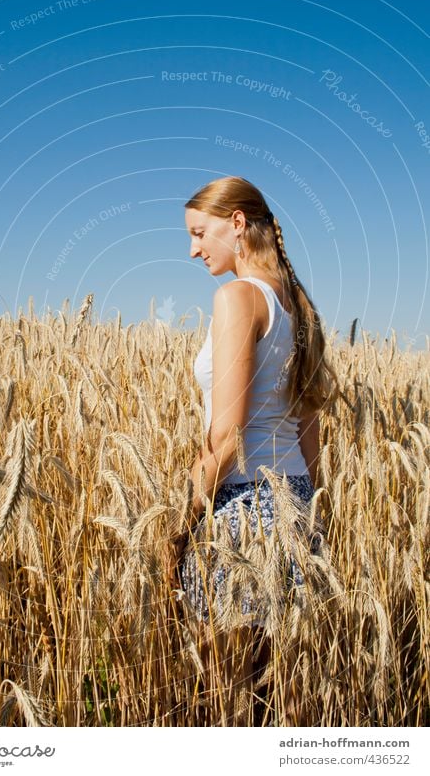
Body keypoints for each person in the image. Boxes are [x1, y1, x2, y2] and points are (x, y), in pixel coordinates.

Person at [173, 175, 340, 726]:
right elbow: (310, 428)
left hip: (241, 509)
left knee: (229, 693)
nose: (193, 248)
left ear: (237, 223)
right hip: (292, 506)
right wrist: (314, 514)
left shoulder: (238, 297)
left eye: (200, 233)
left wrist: (180, 519)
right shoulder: (299, 304)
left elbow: (227, 437)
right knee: (287, 691)